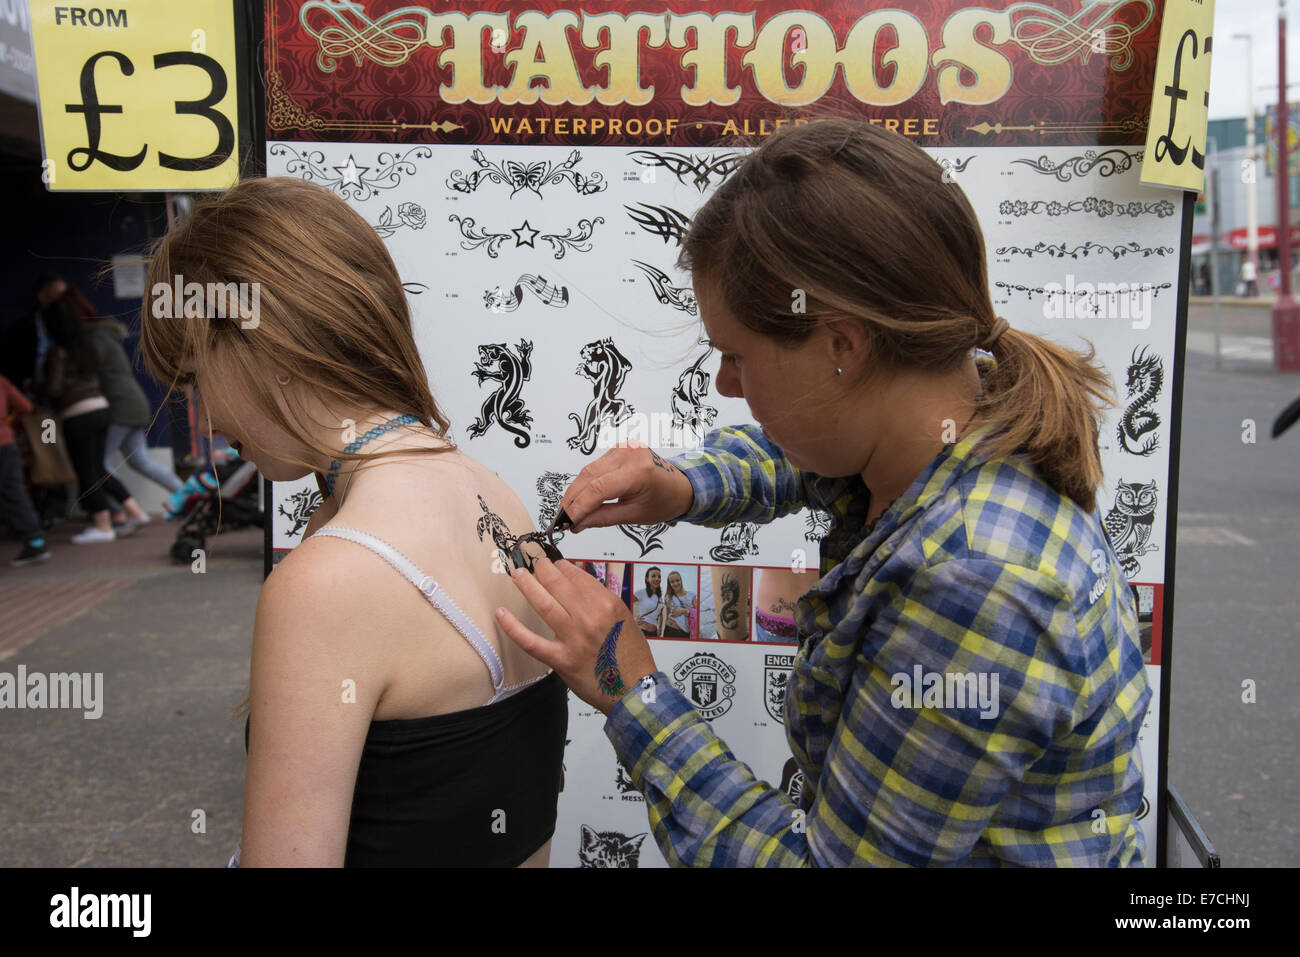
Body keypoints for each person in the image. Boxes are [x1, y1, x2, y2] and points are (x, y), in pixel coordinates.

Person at [495, 118, 1151, 867]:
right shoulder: (954, 411)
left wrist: (632, 689)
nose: (724, 385)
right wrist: (679, 486)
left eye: (737, 356)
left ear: (842, 344)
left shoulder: (975, 579)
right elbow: (814, 456)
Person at [138, 176, 566, 867]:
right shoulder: (495, 494)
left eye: (194, 375)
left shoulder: (331, 578)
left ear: (264, 343)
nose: (207, 419)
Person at [36, 300, 146, 544]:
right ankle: (134, 512)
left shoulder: (58, 351)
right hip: (100, 409)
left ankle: (103, 525)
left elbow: (54, 388)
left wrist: (35, 387)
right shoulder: (87, 345)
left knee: (87, 473)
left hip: (77, 414)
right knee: (98, 469)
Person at [84, 314, 183, 518]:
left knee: (101, 465)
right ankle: (186, 498)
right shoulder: (111, 339)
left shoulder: (96, 339)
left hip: (120, 407)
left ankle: (124, 511)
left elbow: (88, 369)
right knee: (140, 461)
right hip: (135, 403)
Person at [0, 373, 51, 565]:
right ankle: (35, 541)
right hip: (6, 443)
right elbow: (26, 407)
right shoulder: (3, 380)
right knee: (15, 492)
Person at [662, 570, 696, 638]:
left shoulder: (692, 595)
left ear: (681, 581)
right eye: (672, 582)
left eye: (677, 580)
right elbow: (667, 614)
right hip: (669, 630)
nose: (675, 583)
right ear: (669, 584)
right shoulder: (667, 597)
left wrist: (685, 611)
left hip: (684, 632)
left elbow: (696, 614)